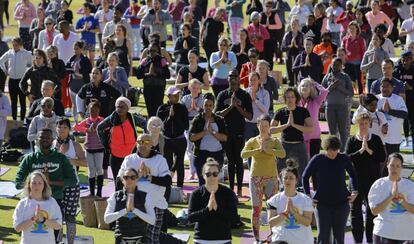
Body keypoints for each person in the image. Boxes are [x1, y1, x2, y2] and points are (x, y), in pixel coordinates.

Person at [15, 128, 78, 242]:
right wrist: (33, 185)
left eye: (47, 138)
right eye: (42, 137)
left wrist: (50, 183)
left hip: (55, 201)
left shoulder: (60, 158)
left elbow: (73, 180)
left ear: (52, 140)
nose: (44, 140)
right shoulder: (29, 159)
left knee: (53, 237)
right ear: (36, 140)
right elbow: (18, 183)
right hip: (31, 203)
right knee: (31, 234)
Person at [303, 136, 359, 244]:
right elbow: (305, 176)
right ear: (325, 149)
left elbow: (353, 174)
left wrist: (354, 191)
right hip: (322, 204)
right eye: (330, 150)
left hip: (342, 204)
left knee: (339, 237)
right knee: (323, 236)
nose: (333, 153)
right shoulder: (318, 159)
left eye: (335, 150)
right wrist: (308, 195)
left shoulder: (343, 158)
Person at [117, 134, 171, 243]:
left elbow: (167, 181)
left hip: (155, 205)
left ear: (152, 144)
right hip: (133, 205)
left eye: (146, 142)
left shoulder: (160, 160)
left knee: (152, 240)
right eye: (140, 142)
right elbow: (119, 181)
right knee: (133, 239)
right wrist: (135, 178)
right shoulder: (129, 159)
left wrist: (149, 177)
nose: (142, 145)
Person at [241, 114, 286, 243]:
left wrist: (269, 150)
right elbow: (243, 154)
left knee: (273, 208)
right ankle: (257, 238)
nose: (264, 129)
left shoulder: (275, 141)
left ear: (269, 127)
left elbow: (282, 154)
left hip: (271, 178)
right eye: (262, 126)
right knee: (256, 209)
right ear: (258, 126)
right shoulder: (252, 141)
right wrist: (257, 150)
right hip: (255, 179)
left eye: (266, 126)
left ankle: (273, 237)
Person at [346, 112, 386, 244]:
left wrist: (369, 150)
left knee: (371, 211)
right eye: (361, 123)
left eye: (365, 123)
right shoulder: (352, 140)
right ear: (357, 124)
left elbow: (381, 158)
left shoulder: (375, 139)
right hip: (356, 181)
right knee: (355, 212)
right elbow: (347, 159)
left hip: (373, 180)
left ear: (369, 124)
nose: (363, 126)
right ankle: (357, 241)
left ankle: (370, 240)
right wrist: (361, 151)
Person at [215, 69, 253, 196]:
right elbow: (217, 114)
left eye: (235, 76)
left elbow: (250, 116)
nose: (233, 79)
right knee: (230, 162)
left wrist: (237, 107)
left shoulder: (245, 95)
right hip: (226, 132)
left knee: (239, 161)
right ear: (228, 79)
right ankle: (231, 189)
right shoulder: (222, 94)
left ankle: (240, 190)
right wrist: (231, 106)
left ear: (239, 78)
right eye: (231, 76)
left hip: (239, 132)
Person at [97, 96, 146, 188]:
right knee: (118, 181)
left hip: (131, 155)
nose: (119, 109)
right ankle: (119, 200)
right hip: (115, 155)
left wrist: (142, 141)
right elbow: (99, 128)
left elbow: (146, 125)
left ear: (128, 108)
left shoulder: (133, 118)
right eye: (117, 107)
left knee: (132, 181)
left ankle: (132, 200)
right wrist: (105, 144)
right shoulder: (111, 119)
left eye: (122, 107)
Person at [188, 158, 237, 244]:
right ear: (203, 175)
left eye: (215, 174)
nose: (212, 177)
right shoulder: (196, 194)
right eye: (208, 174)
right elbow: (190, 218)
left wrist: (217, 208)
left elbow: (234, 218)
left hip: (223, 239)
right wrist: (207, 209)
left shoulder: (228, 193)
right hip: (201, 239)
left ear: (219, 175)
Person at [368, 153, 414, 243]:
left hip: (406, 234)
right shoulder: (378, 184)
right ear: (387, 165)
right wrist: (391, 196)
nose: (394, 169)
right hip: (383, 232)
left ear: (402, 167)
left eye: (398, 166)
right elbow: (374, 211)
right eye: (392, 165)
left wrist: (401, 201)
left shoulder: (410, 185)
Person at [53, 118, 85, 244]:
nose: (61, 130)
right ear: (56, 129)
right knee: (57, 216)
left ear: (69, 129)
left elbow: (85, 162)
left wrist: (68, 160)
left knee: (70, 216)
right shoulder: (51, 143)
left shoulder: (75, 145)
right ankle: (58, 241)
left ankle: (70, 242)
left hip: (72, 184)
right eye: (59, 127)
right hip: (55, 185)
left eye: (65, 127)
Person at [270, 87, 313, 181]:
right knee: (282, 172)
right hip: (284, 146)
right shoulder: (280, 112)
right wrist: (286, 125)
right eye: (288, 97)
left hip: (299, 145)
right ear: (285, 99)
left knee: (302, 172)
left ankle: (301, 192)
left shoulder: (303, 111)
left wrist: (294, 125)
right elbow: (271, 130)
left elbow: (310, 129)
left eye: (292, 97)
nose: (290, 99)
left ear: (296, 98)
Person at [267, 159, 313, 244]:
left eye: (291, 178)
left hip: (303, 241)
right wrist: (285, 213)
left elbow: (307, 222)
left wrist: (293, 213)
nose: (288, 180)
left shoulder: (305, 200)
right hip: (281, 240)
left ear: (296, 180)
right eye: (285, 178)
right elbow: (271, 223)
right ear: (281, 180)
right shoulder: (274, 200)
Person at [105, 168, 156, 244]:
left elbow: (152, 220)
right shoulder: (115, 196)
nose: (129, 180)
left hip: (140, 240)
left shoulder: (145, 196)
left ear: (137, 179)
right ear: (122, 180)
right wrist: (125, 210)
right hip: (121, 239)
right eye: (126, 177)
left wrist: (134, 210)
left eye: (133, 177)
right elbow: (107, 219)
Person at [13, 171, 63, 244]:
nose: (37, 186)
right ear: (29, 184)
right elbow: (17, 228)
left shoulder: (52, 202)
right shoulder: (22, 204)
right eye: (34, 183)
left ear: (44, 185)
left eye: (40, 183)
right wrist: (33, 219)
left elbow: (58, 225)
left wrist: (43, 220)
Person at [190, 92, 227, 185]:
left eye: (210, 105)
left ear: (213, 106)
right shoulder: (197, 119)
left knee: (214, 182)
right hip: (201, 155)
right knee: (202, 182)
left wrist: (213, 132)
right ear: (203, 105)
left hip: (217, 154)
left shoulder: (219, 120)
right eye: (206, 105)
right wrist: (205, 132)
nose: (208, 107)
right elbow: (191, 137)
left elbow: (225, 138)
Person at [156, 86, 189, 188]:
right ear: (169, 96)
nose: (177, 97)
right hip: (167, 140)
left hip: (180, 140)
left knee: (179, 164)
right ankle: (168, 188)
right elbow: (160, 126)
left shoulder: (182, 107)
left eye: (178, 95)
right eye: (175, 95)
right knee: (168, 164)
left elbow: (186, 126)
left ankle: (180, 187)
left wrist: (175, 117)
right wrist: (169, 117)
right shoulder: (162, 108)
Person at [322, 57, 354, 151]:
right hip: (330, 107)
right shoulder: (327, 77)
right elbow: (322, 93)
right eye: (334, 64)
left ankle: (343, 151)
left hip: (342, 107)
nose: (335, 66)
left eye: (338, 65)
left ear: (341, 66)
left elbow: (351, 93)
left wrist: (340, 87)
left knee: (342, 131)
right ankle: (332, 150)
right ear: (330, 65)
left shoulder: (345, 77)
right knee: (332, 132)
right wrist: (331, 86)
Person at [74, 101, 105, 197]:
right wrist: (86, 130)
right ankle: (92, 193)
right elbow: (76, 127)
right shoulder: (87, 121)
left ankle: (99, 192)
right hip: (88, 148)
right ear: (88, 110)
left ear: (99, 111)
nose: (94, 113)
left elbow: (108, 128)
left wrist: (98, 130)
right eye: (91, 111)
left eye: (96, 111)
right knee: (91, 170)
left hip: (99, 148)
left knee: (99, 169)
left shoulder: (102, 120)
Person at [0, 37, 32, 121]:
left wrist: (27, 73)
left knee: (22, 102)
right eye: (13, 45)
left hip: (22, 81)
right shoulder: (10, 52)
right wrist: (5, 70)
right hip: (12, 80)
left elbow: (32, 63)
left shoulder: (26, 53)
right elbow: (1, 61)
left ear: (20, 45)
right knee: (13, 102)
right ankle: (14, 120)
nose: (14, 47)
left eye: (16, 45)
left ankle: (22, 120)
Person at [135, 42, 170, 117]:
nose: (152, 53)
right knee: (150, 110)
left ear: (158, 51)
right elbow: (138, 75)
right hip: (148, 88)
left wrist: (155, 74)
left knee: (158, 109)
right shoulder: (145, 61)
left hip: (159, 88)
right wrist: (147, 74)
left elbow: (168, 75)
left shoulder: (162, 60)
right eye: (150, 51)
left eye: (154, 51)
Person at [376, 78, 408, 158]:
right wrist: (382, 111)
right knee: (380, 165)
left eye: (387, 86)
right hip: (378, 139)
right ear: (380, 88)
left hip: (394, 139)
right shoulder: (375, 99)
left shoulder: (398, 99)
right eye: (383, 86)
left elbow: (404, 114)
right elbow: (370, 114)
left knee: (392, 162)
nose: (385, 88)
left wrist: (390, 111)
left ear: (392, 88)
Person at [298, 77, 328, 157]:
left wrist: (314, 82)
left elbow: (325, 91)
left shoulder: (316, 101)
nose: (304, 87)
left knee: (313, 163)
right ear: (299, 88)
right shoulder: (296, 103)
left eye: (307, 85)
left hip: (314, 136)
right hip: (300, 137)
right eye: (302, 85)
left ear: (311, 88)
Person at [180, 79, 205, 180]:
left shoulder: (203, 98)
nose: (195, 90)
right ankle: (192, 171)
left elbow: (206, 111)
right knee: (189, 150)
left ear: (199, 89)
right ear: (189, 88)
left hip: (200, 125)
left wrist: (197, 109)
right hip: (188, 126)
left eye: (197, 88)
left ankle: (201, 171)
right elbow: (180, 113)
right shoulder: (185, 98)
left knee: (201, 149)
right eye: (193, 88)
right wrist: (190, 109)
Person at [66, 41, 92, 123]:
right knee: (74, 104)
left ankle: (84, 121)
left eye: (77, 49)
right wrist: (71, 71)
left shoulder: (85, 59)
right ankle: (76, 122)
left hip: (82, 83)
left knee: (83, 103)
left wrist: (79, 72)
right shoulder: (71, 59)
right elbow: (66, 68)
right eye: (74, 49)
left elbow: (88, 70)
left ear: (81, 49)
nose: (75, 51)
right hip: (73, 83)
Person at [244, 72, 270, 142]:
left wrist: (255, 100)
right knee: (249, 146)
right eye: (251, 80)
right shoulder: (244, 92)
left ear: (259, 81)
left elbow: (265, 110)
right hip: (248, 124)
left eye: (254, 79)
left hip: (262, 125)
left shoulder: (265, 93)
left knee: (262, 145)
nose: (252, 82)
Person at [341, 20, 366, 94]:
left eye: (353, 28)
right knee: (348, 80)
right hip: (347, 63)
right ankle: (347, 95)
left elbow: (363, 52)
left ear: (357, 29)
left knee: (359, 81)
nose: (351, 30)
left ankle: (361, 96)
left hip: (358, 63)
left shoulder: (360, 39)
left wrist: (363, 63)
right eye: (350, 28)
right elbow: (342, 50)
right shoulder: (345, 39)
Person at [199, 7, 225, 73]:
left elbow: (221, 36)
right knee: (209, 59)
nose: (218, 15)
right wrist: (200, 40)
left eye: (221, 14)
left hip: (215, 45)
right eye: (218, 13)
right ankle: (211, 74)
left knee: (215, 59)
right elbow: (202, 29)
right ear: (215, 12)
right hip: (206, 43)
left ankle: (216, 73)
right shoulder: (208, 19)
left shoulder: (221, 24)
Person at [281, 18, 304, 86]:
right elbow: (282, 48)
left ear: (298, 25)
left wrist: (297, 46)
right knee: (289, 74)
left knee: (298, 74)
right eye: (292, 24)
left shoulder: (301, 35)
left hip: (299, 58)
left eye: (295, 24)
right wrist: (290, 46)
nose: (293, 26)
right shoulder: (287, 35)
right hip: (289, 57)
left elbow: (304, 48)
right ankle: (290, 88)